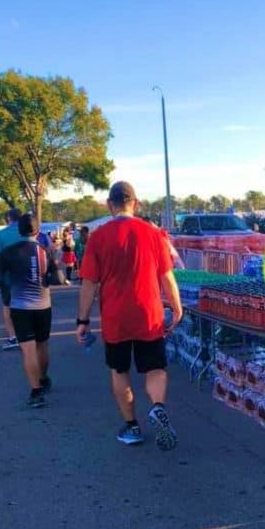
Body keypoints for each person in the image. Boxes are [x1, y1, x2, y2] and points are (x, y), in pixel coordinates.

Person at [76, 181, 182, 450]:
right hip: (149, 313)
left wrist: (83, 320)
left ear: (109, 205)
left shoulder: (98, 237)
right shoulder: (153, 234)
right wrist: (176, 306)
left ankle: (132, 426)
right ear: (136, 203)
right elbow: (167, 277)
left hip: (115, 317)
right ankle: (157, 406)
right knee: (155, 368)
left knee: (120, 370)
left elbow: (89, 283)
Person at [0, 214, 53, 408]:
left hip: (20, 306)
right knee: (42, 345)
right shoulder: (45, 250)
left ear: (19, 230)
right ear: (37, 230)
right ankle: (43, 379)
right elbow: (58, 277)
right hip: (43, 305)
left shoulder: (8, 253)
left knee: (28, 349)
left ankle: (35, 392)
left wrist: (12, 281)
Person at [0, 208, 22, 351]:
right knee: (28, 305)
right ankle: (27, 335)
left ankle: (13, 337)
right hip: (29, 276)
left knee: (7, 307)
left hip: (8, 278)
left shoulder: (1, 235)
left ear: (9, 218)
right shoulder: (29, 232)